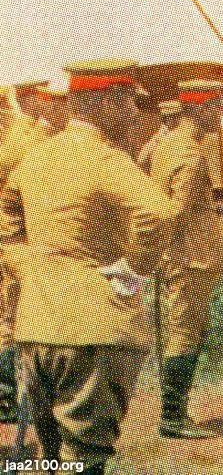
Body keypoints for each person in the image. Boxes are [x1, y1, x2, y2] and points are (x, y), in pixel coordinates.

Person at [0, 60, 177, 474]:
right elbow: (160, 214)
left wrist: (28, 267)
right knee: (84, 459)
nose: (136, 112)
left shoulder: (37, 157)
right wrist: (134, 272)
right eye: (131, 101)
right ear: (107, 101)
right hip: (94, 330)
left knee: (49, 457)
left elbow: (6, 218)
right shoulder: (105, 158)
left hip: (35, 328)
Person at [149, 79, 223, 438]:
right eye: (215, 105)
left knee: (180, 329)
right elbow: (175, 211)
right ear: (198, 109)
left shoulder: (168, 145)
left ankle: (175, 411)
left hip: (179, 255)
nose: (221, 112)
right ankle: (172, 416)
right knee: (185, 332)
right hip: (189, 256)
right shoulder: (190, 154)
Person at [0, 80, 66, 423]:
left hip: (14, 236)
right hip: (18, 238)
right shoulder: (28, 141)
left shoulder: (20, 135)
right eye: (46, 100)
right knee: (14, 315)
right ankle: (9, 395)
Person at [137, 100, 182, 173]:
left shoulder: (181, 133)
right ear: (165, 118)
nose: (176, 120)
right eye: (172, 117)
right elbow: (141, 160)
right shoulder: (159, 138)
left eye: (177, 116)